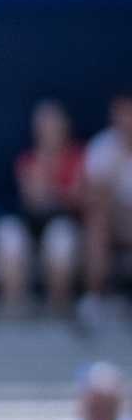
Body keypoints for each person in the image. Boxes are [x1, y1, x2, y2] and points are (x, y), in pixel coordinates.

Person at [0, 100, 84, 313]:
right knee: (8, 235)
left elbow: (76, 198)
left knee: (60, 241)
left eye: (53, 125)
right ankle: (15, 311)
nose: (48, 131)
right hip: (30, 223)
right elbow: (33, 199)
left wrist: (54, 192)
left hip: (64, 222)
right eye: (44, 126)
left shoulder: (77, 157)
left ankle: (57, 312)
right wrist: (57, 189)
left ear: (64, 127)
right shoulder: (28, 159)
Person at [80, 90, 132, 317]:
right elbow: (93, 197)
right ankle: (94, 299)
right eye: (122, 113)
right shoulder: (102, 147)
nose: (127, 120)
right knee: (97, 218)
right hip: (116, 220)